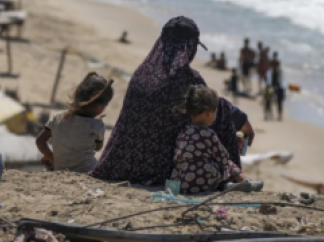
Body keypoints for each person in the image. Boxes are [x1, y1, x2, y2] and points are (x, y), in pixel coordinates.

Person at [92, 16, 255, 187]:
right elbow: (214, 106)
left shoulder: (142, 72)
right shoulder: (186, 78)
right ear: (190, 47)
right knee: (214, 115)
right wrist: (241, 120)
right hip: (162, 170)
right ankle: (231, 177)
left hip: (121, 164)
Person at [171, 86, 263, 193]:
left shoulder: (184, 133)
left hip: (183, 183)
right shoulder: (209, 134)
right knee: (228, 164)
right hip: (205, 182)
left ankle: (231, 185)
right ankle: (244, 182)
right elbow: (223, 157)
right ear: (209, 112)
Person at [36, 73, 114, 173]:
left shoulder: (58, 117)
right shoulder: (97, 125)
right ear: (99, 106)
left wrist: (51, 158)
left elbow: (40, 141)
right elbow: (98, 148)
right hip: (87, 170)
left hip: (60, 168)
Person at [270, 52, 284, 121]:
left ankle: (278, 115)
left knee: (276, 101)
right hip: (275, 82)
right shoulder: (273, 62)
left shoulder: (274, 63)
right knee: (275, 101)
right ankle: (275, 114)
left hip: (275, 83)